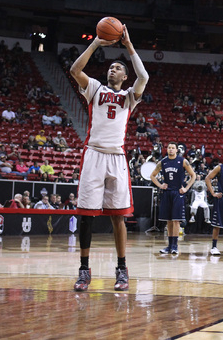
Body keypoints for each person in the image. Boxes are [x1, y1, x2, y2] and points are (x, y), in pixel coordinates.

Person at [70, 25, 149, 292]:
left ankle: (122, 269)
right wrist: (95, 44)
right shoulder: (94, 88)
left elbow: (144, 76)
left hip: (117, 157)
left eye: (117, 68)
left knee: (119, 217)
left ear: (125, 76)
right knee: (86, 216)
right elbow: (74, 71)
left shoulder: (129, 97)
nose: (111, 70)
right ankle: (83, 270)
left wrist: (128, 46)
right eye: (110, 67)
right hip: (93, 153)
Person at [151, 142, 196, 256]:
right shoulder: (163, 162)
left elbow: (193, 175)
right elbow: (152, 176)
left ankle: (175, 246)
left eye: (173, 148)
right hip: (167, 192)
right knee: (169, 220)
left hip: (178, 193)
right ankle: (169, 246)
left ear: (176, 150)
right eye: (169, 147)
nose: (170, 149)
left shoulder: (183, 161)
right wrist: (160, 185)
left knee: (176, 220)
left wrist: (186, 188)